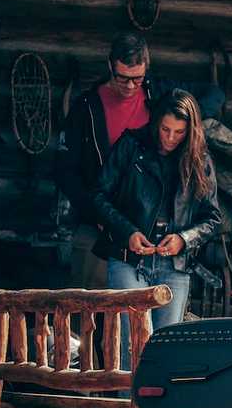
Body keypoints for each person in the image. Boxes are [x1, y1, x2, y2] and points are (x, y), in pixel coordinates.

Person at [92, 89, 220, 339]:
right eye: (165, 129)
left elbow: (213, 218)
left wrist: (184, 239)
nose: (170, 138)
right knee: (131, 343)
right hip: (128, 258)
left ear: (190, 131)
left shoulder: (199, 159)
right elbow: (98, 195)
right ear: (156, 122)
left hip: (175, 265)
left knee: (164, 348)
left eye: (179, 132)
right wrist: (128, 231)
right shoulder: (131, 144)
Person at [60, 32, 179, 288]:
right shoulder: (87, 108)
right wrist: (98, 216)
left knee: (137, 317)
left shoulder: (159, 96)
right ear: (109, 66)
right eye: (122, 78)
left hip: (148, 228)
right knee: (88, 308)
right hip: (98, 221)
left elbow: (204, 101)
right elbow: (67, 173)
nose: (129, 86)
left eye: (137, 79)